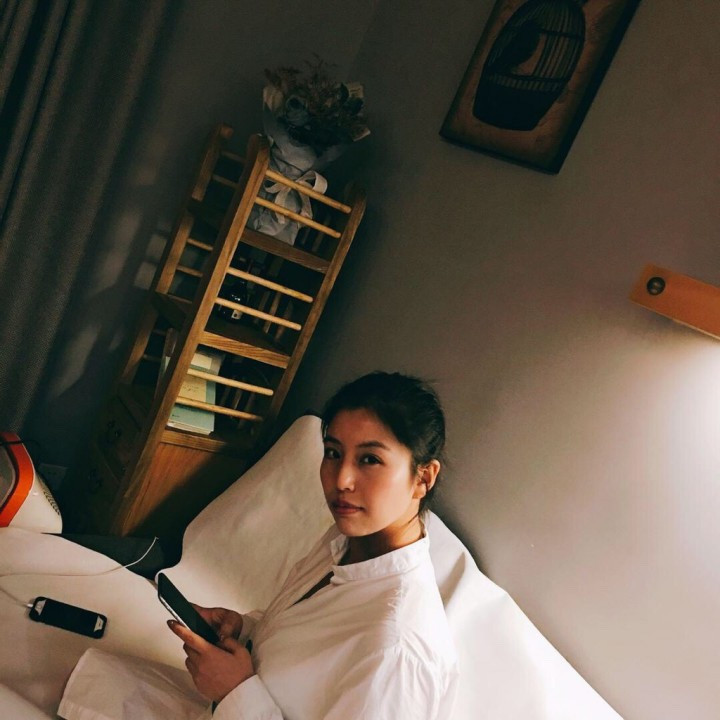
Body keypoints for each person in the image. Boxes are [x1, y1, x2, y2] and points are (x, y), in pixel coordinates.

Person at [167, 371, 459, 719]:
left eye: (369, 459)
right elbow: (308, 658)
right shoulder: (346, 541)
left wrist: (235, 692)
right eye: (333, 452)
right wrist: (243, 629)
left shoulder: (396, 650)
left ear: (423, 477)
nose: (341, 480)